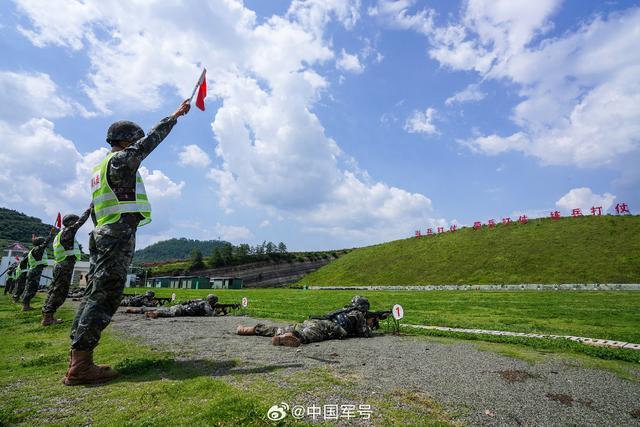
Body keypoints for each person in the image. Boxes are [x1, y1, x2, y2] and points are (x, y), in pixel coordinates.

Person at [63, 98, 191, 386]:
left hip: (103, 234)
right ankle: (81, 366)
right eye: (136, 139)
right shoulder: (121, 161)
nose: (138, 143)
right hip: (115, 237)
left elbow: (97, 209)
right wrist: (175, 115)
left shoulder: (99, 168)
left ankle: (79, 359)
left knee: (94, 293)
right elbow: (152, 141)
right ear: (127, 140)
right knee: (104, 295)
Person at [236, 296, 377, 347]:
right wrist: (370, 324)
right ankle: (290, 338)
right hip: (327, 327)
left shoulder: (345, 310)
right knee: (304, 336)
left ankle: (252, 329)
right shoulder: (358, 314)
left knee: (285, 328)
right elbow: (364, 333)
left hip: (315, 320)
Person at [41, 208, 92, 326]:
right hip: (64, 265)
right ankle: (48, 317)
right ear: (70, 222)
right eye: (74, 221)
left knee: (53, 289)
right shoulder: (68, 231)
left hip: (60, 264)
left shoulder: (60, 234)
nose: (76, 222)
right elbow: (81, 221)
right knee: (60, 291)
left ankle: (47, 313)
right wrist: (89, 209)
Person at [21, 232, 56, 311]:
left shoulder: (35, 250)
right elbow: (45, 243)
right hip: (35, 271)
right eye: (42, 242)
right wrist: (51, 234)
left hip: (35, 270)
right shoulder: (37, 249)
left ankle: (26, 305)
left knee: (30, 288)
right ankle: (25, 306)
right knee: (31, 289)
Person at [126, 294, 219, 318]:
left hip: (180, 306)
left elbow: (186, 301)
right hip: (182, 311)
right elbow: (212, 315)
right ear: (213, 301)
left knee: (163, 308)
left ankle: (136, 310)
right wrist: (217, 311)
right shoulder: (206, 305)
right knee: (169, 313)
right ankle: (155, 314)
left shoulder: (200, 300)